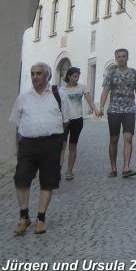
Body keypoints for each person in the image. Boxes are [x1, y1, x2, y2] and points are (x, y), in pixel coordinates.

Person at [10, 62, 75, 235]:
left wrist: (58, 141)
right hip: (28, 144)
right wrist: (20, 143)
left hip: (50, 144)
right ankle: (24, 217)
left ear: (48, 76)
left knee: (48, 181)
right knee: (21, 179)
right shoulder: (23, 97)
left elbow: (67, 119)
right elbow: (16, 121)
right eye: (32, 73)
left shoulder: (58, 94)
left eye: (39, 73)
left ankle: (41, 218)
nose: (35, 76)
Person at [95, 48, 136, 178]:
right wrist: (100, 107)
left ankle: (126, 168)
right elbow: (105, 91)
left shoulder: (134, 73)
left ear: (127, 58)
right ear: (116, 58)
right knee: (114, 139)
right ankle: (113, 168)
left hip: (129, 110)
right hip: (114, 110)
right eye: (119, 57)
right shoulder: (111, 74)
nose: (121, 58)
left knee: (128, 138)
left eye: (123, 56)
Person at [59, 67, 96, 180]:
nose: (76, 78)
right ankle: (58, 169)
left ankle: (69, 171)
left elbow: (89, 100)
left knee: (72, 146)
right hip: (64, 120)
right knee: (62, 146)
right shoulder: (62, 90)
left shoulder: (82, 88)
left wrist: (95, 110)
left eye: (78, 76)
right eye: (74, 76)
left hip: (77, 119)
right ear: (69, 76)